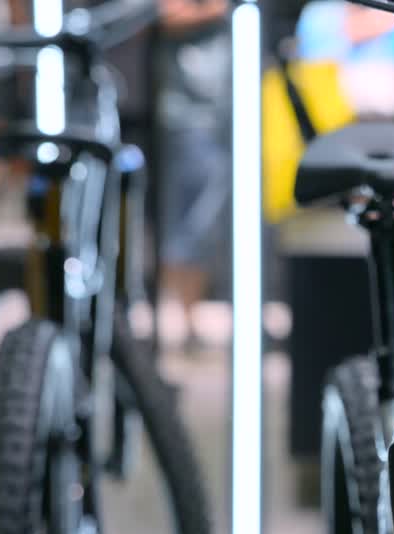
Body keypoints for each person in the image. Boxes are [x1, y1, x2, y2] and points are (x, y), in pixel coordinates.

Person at [155, 0, 231, 347]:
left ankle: (188, 315)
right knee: (186, 221)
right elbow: (164, 16)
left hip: (223, 111)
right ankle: (177, 318)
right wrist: (215, 10)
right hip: (187, 113)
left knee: (205, 222)